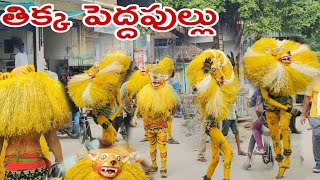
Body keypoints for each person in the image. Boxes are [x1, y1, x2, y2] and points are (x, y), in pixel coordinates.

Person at [244, 38, 320, 179]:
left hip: (285, 108)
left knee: (285, 129)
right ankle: (280, 165)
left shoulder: (287, 76)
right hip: (272, 109)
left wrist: (290, 108)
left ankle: (288, 160)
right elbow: (267, 99)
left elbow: (291, 91)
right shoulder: (263, 79)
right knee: (274, 136)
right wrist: (287, 108)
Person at [0, 65, 69, 179]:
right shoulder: (41, 108)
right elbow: (52, 138)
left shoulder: (5, 110)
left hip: (12, 167)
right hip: (35, 164)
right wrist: (60, 162)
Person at [186, 49, 239, 180]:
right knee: (229, 153)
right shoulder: (206, 92)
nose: (220, 75)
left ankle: (207, 177)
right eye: (215, 70)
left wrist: (233, 69)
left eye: (220, 69)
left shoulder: (217, 90)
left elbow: (229, 96)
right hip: (211, 127)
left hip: (215, 125)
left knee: (215, 158)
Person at [136, 62, 180, 178]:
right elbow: (140, 105)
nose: (155, 79)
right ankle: (154, 165)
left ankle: (163, 168)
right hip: (149, 125)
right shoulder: (145, 91)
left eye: (158, 76)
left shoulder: (166, 91)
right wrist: (139, 116)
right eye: (153, 76)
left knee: (162, 146)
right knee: (152, 145)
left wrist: (172, 116)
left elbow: (175, 103)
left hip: (161, 125)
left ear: (163, 79)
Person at [243, 87, 267, 169]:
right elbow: (257, 108)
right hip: (254, 110)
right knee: (256, 130)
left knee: (255, 130)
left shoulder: (262, 89)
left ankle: (249, 159)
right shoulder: (260, 91)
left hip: (264, 113)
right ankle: (248, 159)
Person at [301, 81, 320, 173]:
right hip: (316, 115)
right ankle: (319, 162)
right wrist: (303, 114)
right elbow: (307, 99)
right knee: (317, 136)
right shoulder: (313, 81)